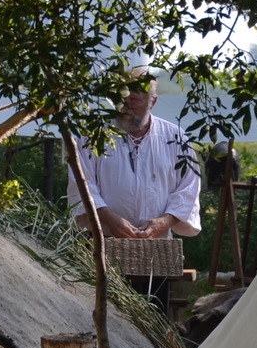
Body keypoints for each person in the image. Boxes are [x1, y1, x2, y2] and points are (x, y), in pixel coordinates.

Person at [70, 71, 202, 242]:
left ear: (152, 102)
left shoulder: (176, 138)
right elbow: (81, 182)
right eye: (122, 99)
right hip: (102, 239)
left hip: (158, 243)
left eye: (134, 100)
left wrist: (164, 221)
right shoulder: (93, 134)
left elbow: (189, 187)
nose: (126, 106)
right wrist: (111, 219)